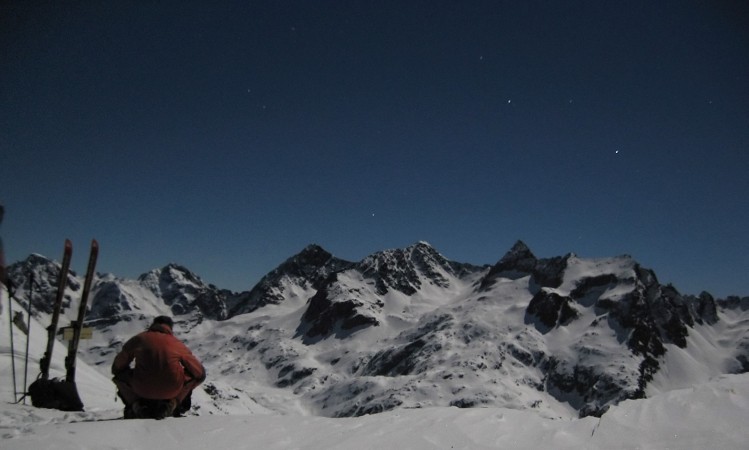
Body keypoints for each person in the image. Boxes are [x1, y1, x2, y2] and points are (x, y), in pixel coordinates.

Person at [111, 315, 205, 419]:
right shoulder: (177, 344)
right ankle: (173, 404)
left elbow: (117, 367)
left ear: (153, 325)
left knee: (119, 376)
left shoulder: (139, 339)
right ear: (170, 328)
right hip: (172, 389)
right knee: (192, 376)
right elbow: (199, 373)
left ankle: (136, 405)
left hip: (141, 388)